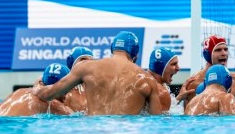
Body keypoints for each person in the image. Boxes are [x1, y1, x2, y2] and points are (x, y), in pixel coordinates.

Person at [33, 31, 162, 115]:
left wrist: (37, 88)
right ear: (135, 56)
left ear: (112, 48)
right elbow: (156, 121)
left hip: (95, 132)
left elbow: (49, 94)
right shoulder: (147, 80)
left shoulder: (87, 68)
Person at [177, 35, 235, 109]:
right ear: (208, 55)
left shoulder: (234, 79)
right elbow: (189, 114)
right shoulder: (194, 83)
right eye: (218, 50)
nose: (224, 53)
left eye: (225, 49)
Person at [0, 63, 74, 117]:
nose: (65, 97)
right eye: (66, 91)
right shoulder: (52, 104)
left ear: (41, 83)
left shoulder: (19, 91)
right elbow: (72, 116)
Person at [146, 47, 180, 113]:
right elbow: (164, 119)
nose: (178, 68)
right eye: (174, 64)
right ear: (160, 67)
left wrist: (180, 97)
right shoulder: (161, 92)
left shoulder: (145, 80)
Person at [63, 47, 94, 114]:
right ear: (72, 63)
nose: (88, 63)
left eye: (91, 61)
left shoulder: (97, 87)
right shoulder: (62, 88)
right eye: (83, 60)